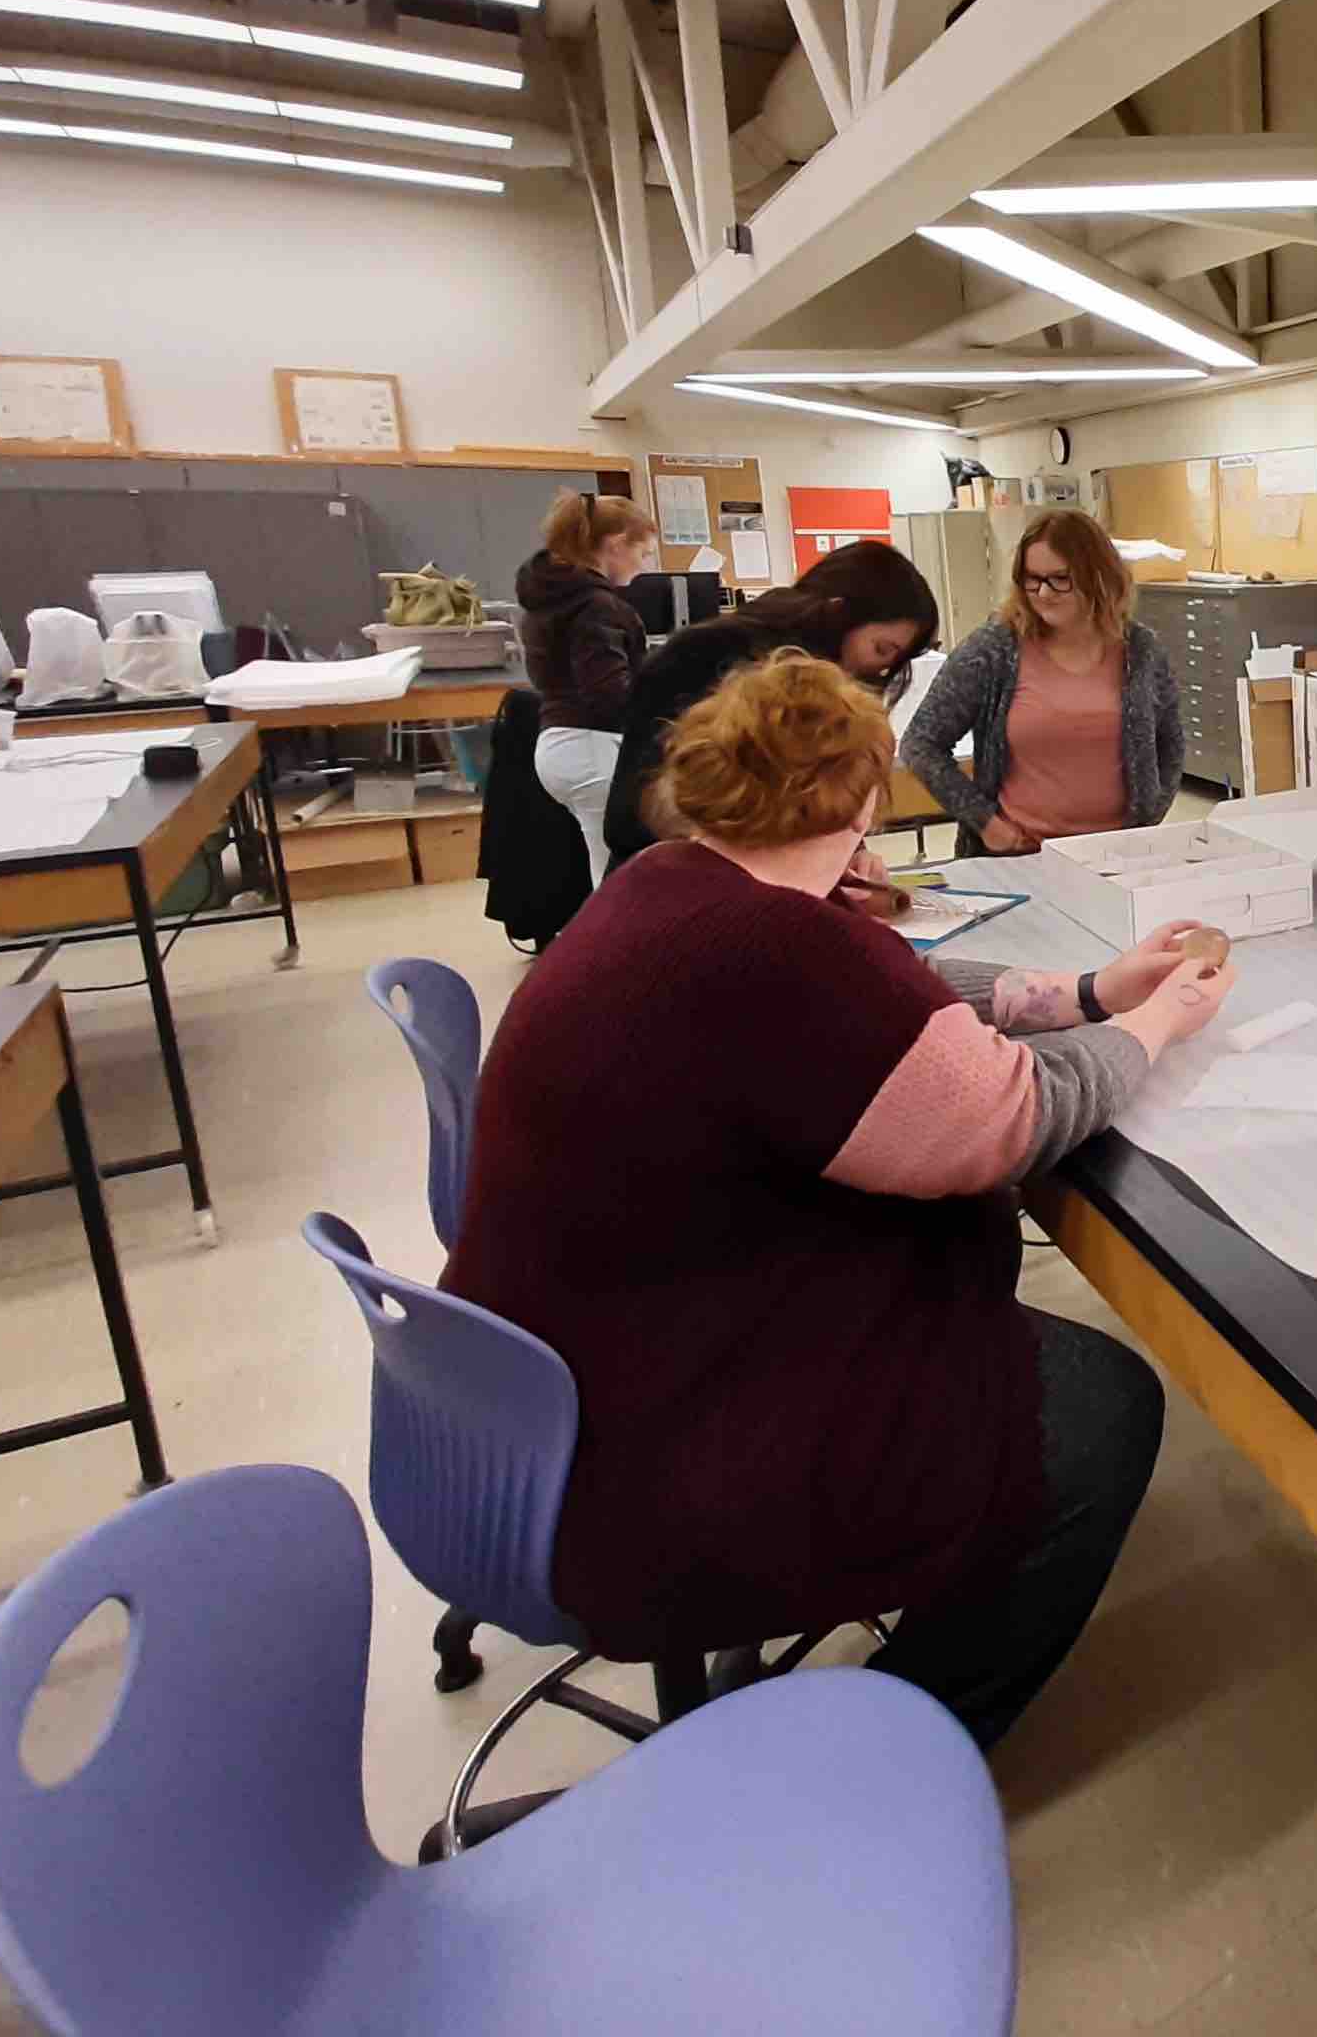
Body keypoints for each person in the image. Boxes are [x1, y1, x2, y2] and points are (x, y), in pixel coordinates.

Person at [445, 652, 1235, 1746]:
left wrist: (1087, 991)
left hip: (560, 1388)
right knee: (1098, 1412)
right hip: (660, 1444)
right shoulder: (769, 948)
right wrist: (1151, 1029)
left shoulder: (672, 879)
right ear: (860, 795)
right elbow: (1010, 1115)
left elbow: (884, 990)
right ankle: (887, 1750)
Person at [601, 538, 937, 871]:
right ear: (837, 613)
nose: (879, 670)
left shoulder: (812, 679)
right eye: (881, 649)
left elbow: (816, 797)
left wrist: (849, 856)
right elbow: (637, 814)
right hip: (674, 879)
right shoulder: (708, 656)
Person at [900, 508, 1183, 854]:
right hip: (1022, 855)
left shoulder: (1142, 651)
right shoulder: (994, 649)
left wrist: (1149, 816)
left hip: (1118, 856)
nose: (1043, 593)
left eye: (1059, 579)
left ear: (1099, 577)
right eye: (1032, 579)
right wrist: (984, 821)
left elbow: (1170, 742)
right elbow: (920, 744)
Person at [514, 490, 655, 887]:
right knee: (624, 876)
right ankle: (617, 946)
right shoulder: (596, 605)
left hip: (561, 744)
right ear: (615, 545)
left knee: (607, 867)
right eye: (642, 553)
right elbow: (610, 693)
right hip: (594, 747)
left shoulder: (552, 598)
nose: (642, 566)